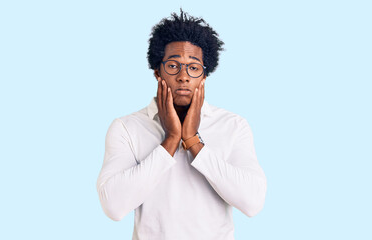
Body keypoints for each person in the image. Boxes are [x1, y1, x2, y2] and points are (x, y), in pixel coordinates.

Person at [96, 9, 267, 240]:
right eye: (173, 66)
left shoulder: (233, 126)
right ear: (158, 72)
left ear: (204, 76)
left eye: (194, 67)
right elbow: (114, 208)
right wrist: (171, 140)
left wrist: (192, 140)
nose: (183, 76)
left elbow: (252, 203)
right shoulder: (127, 127)